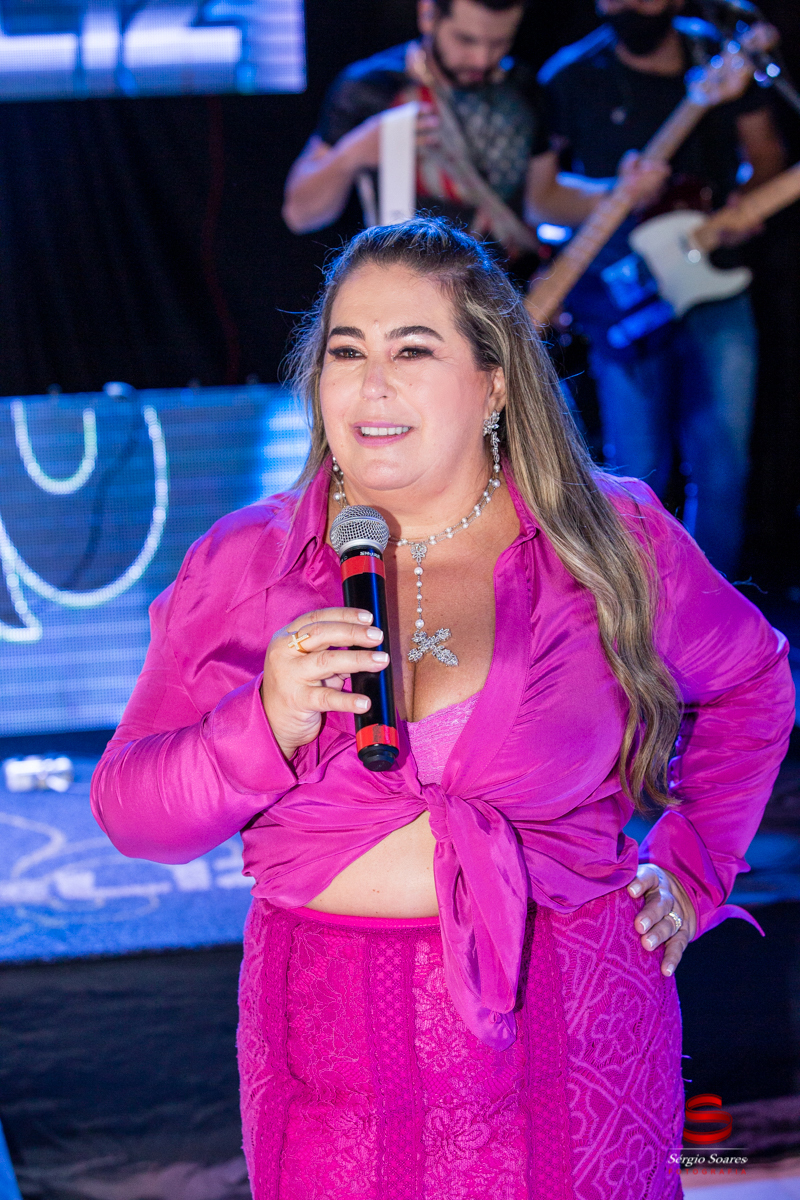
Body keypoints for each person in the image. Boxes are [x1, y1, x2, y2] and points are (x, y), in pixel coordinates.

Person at [91, 218, 794, 1199]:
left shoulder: (608, 538)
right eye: (346, 352)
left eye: (411, 351)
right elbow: (131, 813)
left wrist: (691, 867)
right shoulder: (246, 563)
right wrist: (265, 722)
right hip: (333, 1066)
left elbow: (752, 683)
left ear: (493, 381)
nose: (370, 385)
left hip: (576, 1037)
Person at [529, 0, 787, 577]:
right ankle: (635, 609)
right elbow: (540, 200)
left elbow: (767, 153)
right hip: (620, 293)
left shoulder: (711, 54)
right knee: (635, 470)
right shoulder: (570, 76)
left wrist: (746, 205)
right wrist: (613, 191)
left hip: (713, 280)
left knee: (723, 462)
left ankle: (713, 606)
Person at [282, 0, 665, 251]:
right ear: (428, 14)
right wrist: (354, 152)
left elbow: (542, 201)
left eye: (499, 43)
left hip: (506, 298)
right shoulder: (372, 88)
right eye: (466, 40)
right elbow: (300, 213)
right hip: (412, 293)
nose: (482, 59)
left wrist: (618, 192)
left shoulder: (521, 87)